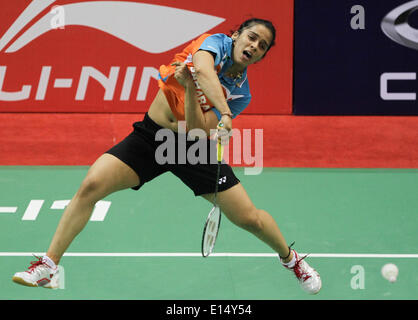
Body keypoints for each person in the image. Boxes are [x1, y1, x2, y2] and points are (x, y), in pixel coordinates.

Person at [12, 18, 321, 294]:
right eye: (251, 37)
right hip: (151, 137)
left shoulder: (242, 93)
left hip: (190, 148)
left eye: (262, 45)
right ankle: (48, 267)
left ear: (263, 56)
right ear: (237, 35)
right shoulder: (213, 43)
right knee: (91, 185)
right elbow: (201, 68)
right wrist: (222, 110)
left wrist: (189, 91)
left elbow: (197, 133)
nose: (254, 45)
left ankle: (291, 259)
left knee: (249, 218)